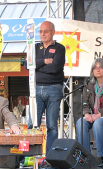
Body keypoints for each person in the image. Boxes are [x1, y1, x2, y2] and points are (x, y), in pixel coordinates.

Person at [25, 21, 66, 154]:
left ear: (53, 32)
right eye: (41, 31)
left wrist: (37, 67)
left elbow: (55, 68)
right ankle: (30, 156)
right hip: (35, 89)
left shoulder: (59, 48)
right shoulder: (34, 47)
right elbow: (27, 65)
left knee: (52, 126)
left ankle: (50, 158)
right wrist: (44, 61)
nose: (43, 34)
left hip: (53, 88)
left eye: (46, 31)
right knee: (32, 124)